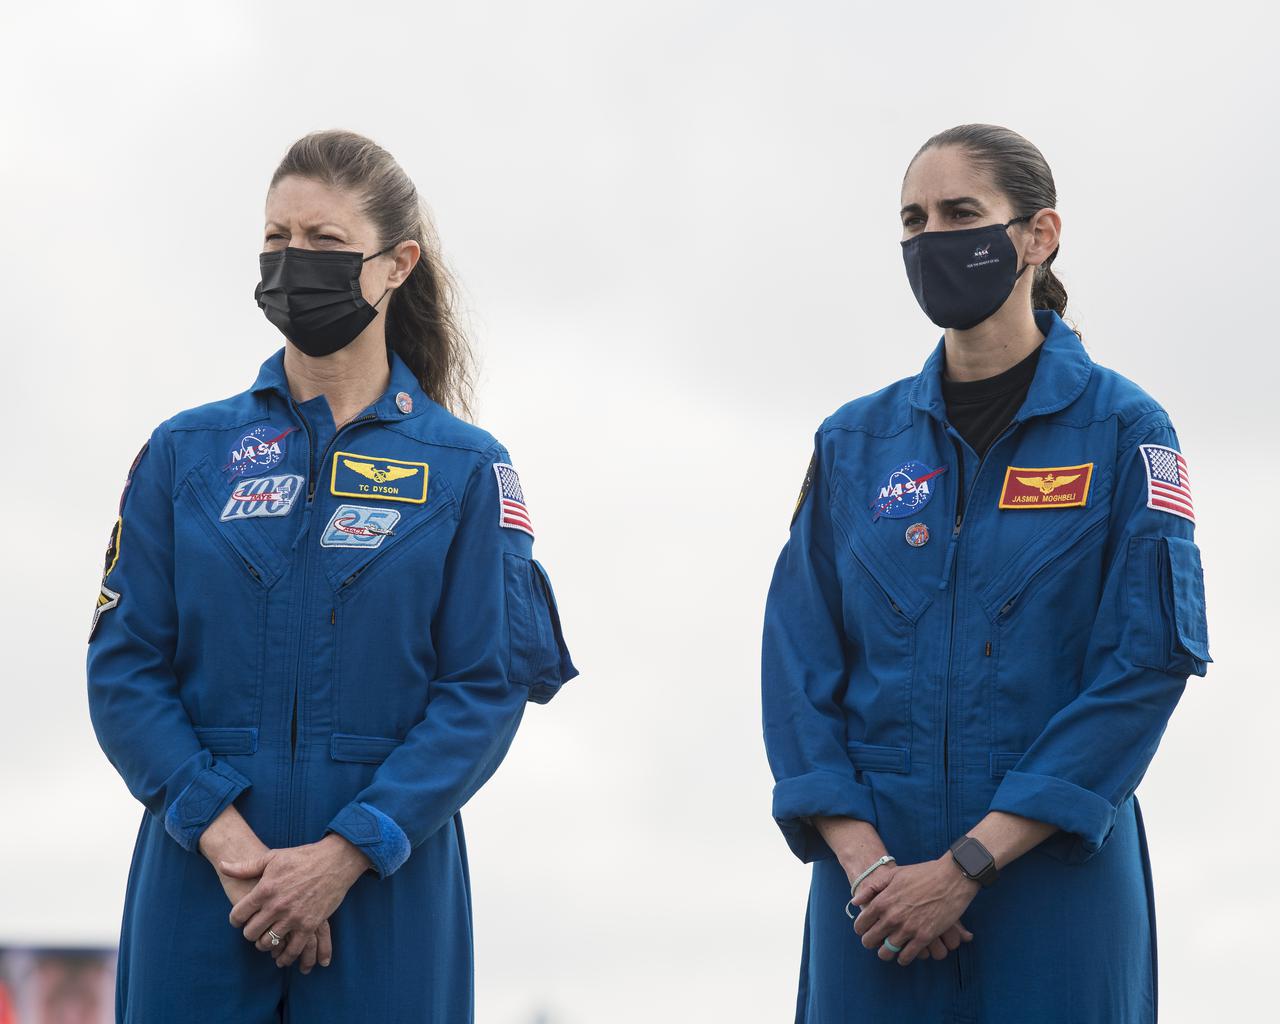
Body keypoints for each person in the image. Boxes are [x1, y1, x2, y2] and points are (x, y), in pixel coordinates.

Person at [86, 129, 577, 1023]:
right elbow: (124, 670)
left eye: (323, 242)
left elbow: (484, 687)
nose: (291, 261)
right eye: (276, 240)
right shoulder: (185, 453)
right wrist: (228, 841)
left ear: (397, 266)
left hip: (387, 889)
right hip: (200, 881)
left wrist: (344, 853)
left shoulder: (465, 470)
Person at [760, 123, 1211, 1023]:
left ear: (1039, 236)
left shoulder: (1127, 430)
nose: (933, 239)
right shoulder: (854, 444)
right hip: (874, 902)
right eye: (913, 220)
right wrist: (873, 869)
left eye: (962, 213)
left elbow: (1143, 666)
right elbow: (797, 671)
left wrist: (972, 864)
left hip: (1055, 880)